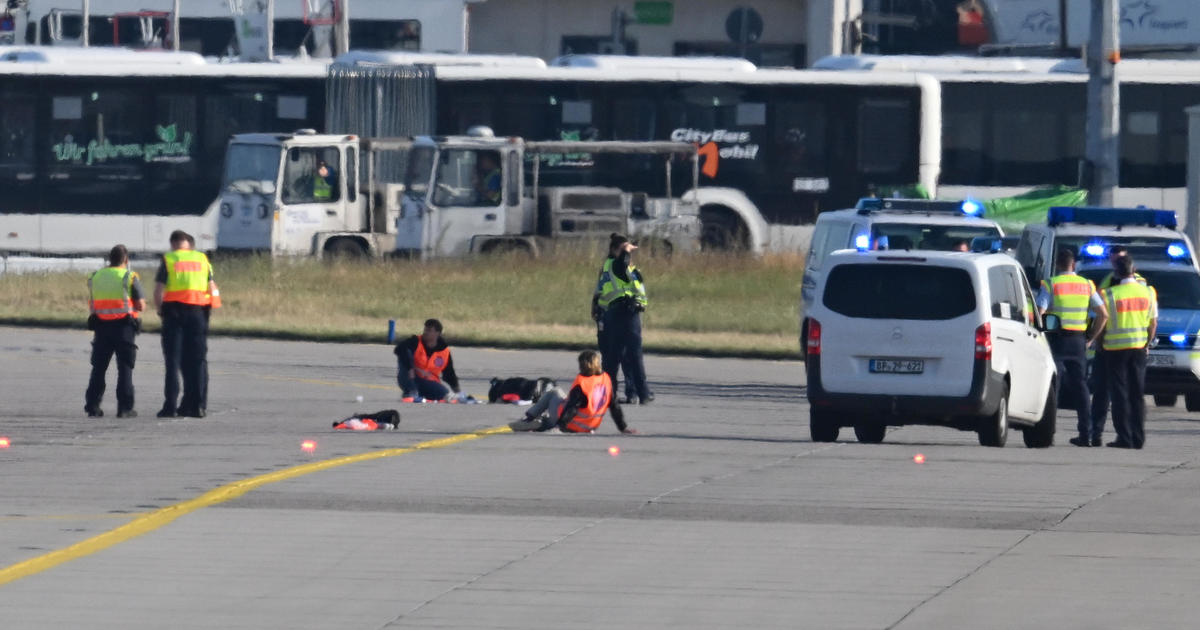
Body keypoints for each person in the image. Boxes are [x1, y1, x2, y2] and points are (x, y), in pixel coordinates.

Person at [1036, 248, 1109, 447]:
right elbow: (1103, 314)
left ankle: (1047, 433)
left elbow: (1039, 312)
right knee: (1081, 387)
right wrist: (1091, 338)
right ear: (1073, 264)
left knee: (1052, 386)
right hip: (1078, 341)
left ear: (1058, 264)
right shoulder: (1086, 285)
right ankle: (1086, 434)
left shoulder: (1051, 284)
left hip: (1056, 340)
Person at [154, 230, 220, 418]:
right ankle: (197, 406)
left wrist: (160, 311)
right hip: (198, 313)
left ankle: (170, 406)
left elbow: (159, 290)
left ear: (173, 243)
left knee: (173, 361)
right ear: (189, 244)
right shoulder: (202, 259)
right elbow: (212, 288)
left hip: (174, 313)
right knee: (197, 361)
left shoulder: (170, 259)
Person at [1089, 245, 1149, 434]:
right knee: (1102, 391)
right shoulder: (1108, 280)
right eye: (1113, 260)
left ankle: (1127, 433)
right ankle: (1097, 432)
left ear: (1129, 264)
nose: (1115, 264)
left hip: (1118, 345)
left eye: (1118, 261)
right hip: (1113, 345)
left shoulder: (1139, 284)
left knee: (1125, 393)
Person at [1100, 255, 1156, 449]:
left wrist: (1098, 340)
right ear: (1134, 271)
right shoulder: (1148, 292)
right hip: (1139, 348)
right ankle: (1138, 438)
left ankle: (1124, 438)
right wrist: (1147, 343)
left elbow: (1102, 320)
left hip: (1115, 349)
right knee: (1137, 394)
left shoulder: (1109, 294)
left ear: (1116, 272)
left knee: (1120, 394)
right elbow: (1153, 323)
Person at [508, 350, 638, 434]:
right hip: (591, 426)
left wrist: (560, 427)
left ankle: (530, 418)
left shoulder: (582, 383)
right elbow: (614, 406)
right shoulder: (606, 379)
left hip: (573, 424)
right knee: (561, 398)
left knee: (554, 391)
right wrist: (623, 428)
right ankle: (542, 421)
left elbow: (572, 408)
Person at [84, 244, 146, 418]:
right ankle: (125, 408)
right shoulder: (129, 276)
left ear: (109, 259)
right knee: (125, 368)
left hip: (101, 327)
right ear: (126, 260)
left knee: (98, 368)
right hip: (124, 328)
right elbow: (140, 304)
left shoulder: (95, 276)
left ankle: (92, 406)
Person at [595, 233, 653, 404]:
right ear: (614, 250)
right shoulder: (615, 264)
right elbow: (622, 264)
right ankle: (642, 393)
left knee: (614, 357)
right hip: (624, 314)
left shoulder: (619, 266)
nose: (627, 253)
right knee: (633, 356)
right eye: (622, 249)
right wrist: (626, 250)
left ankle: (613, 394)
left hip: (618, 314)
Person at [394, 318, 462, 402]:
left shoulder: (444, 351)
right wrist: (410, 368)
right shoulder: (415, 341)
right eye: (425, 329)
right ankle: (411, 392)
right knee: (405, 354)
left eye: (429, 330)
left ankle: (422, 394)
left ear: (437, 333)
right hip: (411, 377)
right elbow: (399, 349)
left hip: (429, 382)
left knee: (446, 395)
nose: (425, 332)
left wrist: (458, 391)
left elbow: (449, 373)